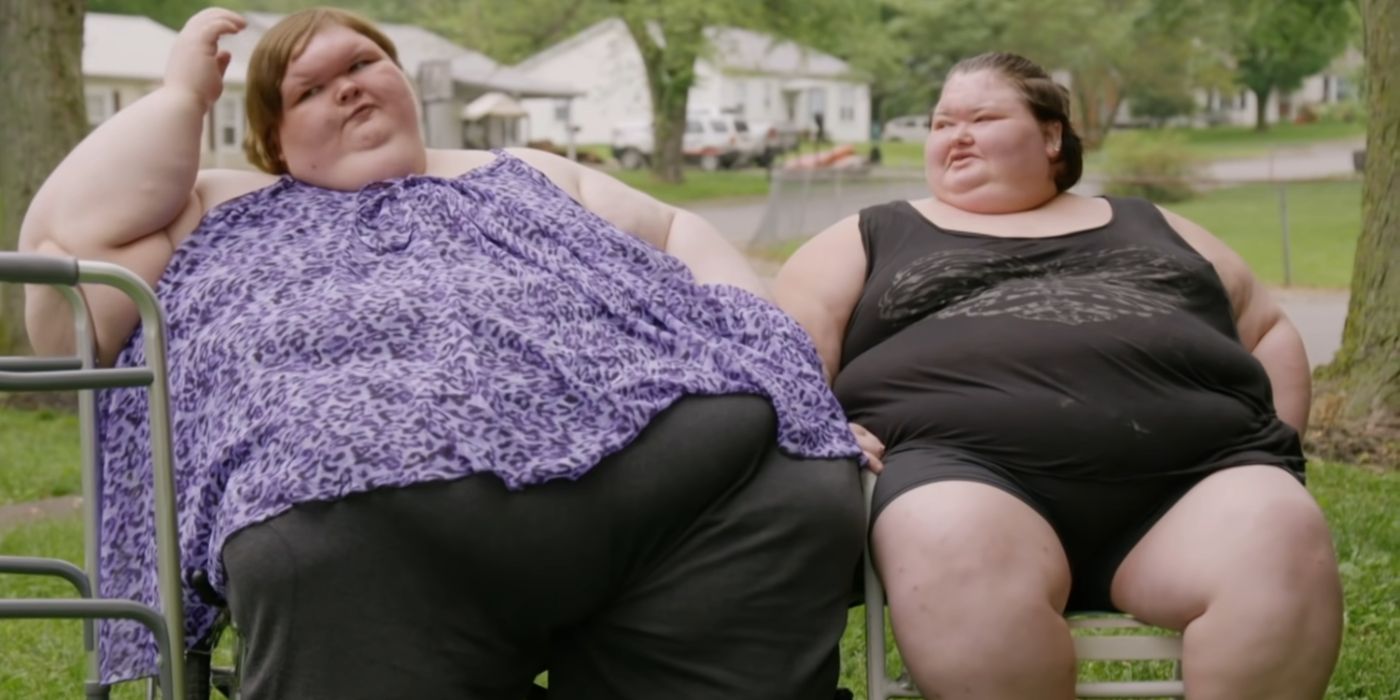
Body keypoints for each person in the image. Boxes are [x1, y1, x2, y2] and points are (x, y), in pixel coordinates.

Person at [20, 8, 865, 699]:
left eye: (362, 62)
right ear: (275, 141)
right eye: (309, 89)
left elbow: (683, 233)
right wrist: (179, 96)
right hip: (367, 509)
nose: (346, 87)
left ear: (403, 81)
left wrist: (786, 375)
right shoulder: (219, 200)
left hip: (680, 469)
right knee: (334, 556)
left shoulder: (523, 169)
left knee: (793, 483)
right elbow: (66, 260)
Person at [775, 52, 1342, 699]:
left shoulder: (1152, 224)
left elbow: (1266, 327)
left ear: (1051, 136)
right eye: (940, 123)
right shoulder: (871, 234)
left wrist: (1276, 457)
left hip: (1197, 480)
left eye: (982, 117)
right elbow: (788, 341)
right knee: (952, 540)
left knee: (1281, 533)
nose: (956, 135)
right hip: (965, 472)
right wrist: (822, 421)